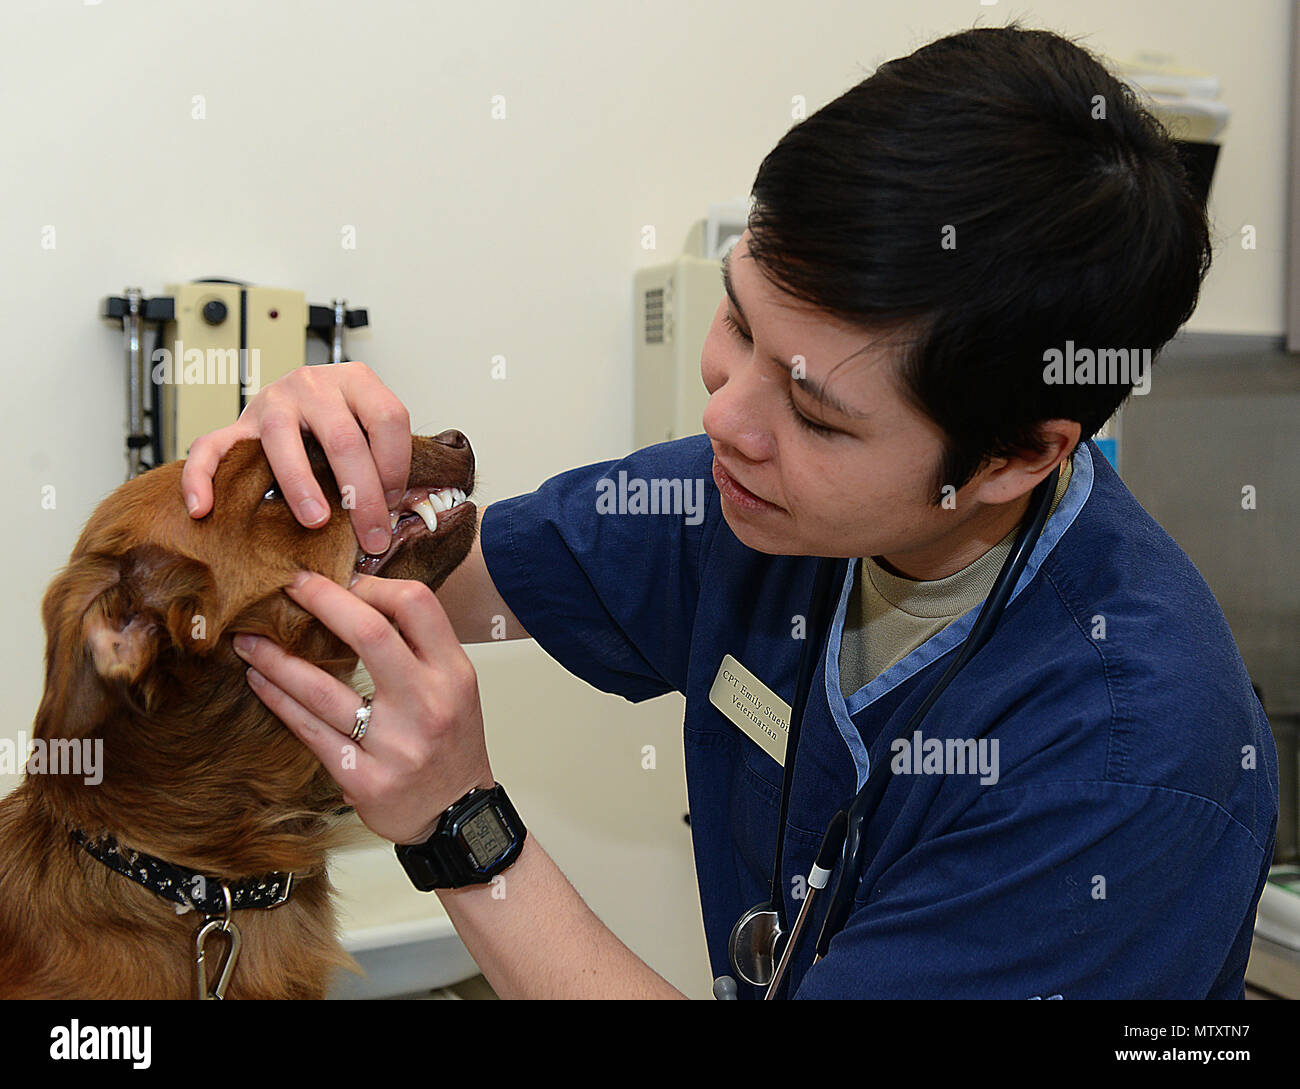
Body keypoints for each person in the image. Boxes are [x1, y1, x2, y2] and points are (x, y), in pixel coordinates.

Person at [180, 24, 1278, 999]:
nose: (726, 417)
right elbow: (433, 584)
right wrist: (293, 485)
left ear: (1012, 459)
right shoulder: (744, 509)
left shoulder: (1121, 774)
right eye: (738, 320)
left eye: (815, 412)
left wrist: (461, 829)